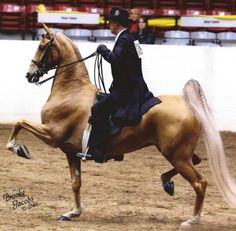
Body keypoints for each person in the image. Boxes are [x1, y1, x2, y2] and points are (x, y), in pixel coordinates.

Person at [77, 7, 160, 163]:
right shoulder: (133, 37)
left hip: (126, 90)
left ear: (117, 23)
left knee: (98, 109)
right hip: (137, 86)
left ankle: (99, 151)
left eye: (110, 22)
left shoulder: (123, 39)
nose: (108, 24)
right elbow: (140, 56)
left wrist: (103, 50)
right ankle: (116, 149)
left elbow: (115, 58)